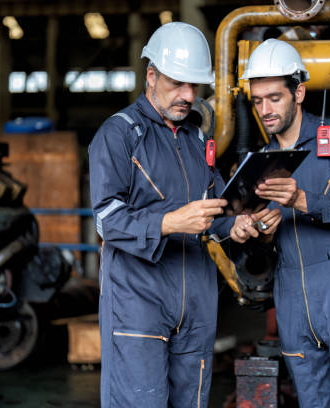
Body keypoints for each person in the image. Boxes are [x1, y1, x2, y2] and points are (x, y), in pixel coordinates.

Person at [230, 38, 330, 407]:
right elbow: (258, 245)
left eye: (275, 98)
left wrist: (302, 199)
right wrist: (259, 231)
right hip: (291, 293)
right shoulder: (261, 162)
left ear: (299, 92)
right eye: (258, 101)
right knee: (313, 400)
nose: (265, 109)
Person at [89, 22, 232, 407]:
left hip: (196, 301)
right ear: (151, 76)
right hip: (139, 300)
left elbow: (213, 208)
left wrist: (242, 224)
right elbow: (106, 218)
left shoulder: (196, 139)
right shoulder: (118, 134)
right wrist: (170, 222)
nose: (188, 96)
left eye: (194, 86)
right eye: (177, 84)